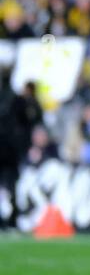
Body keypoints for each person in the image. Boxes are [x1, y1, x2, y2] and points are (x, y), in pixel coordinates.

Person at [0, 67, 41, 231]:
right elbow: (32, 119)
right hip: (11, 149)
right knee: (12, 185)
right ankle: (12, 217)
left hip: (7, 148)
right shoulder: (18, 99)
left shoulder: (12, 99)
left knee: (10, 185)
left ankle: (10, 217)